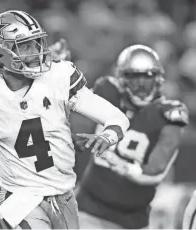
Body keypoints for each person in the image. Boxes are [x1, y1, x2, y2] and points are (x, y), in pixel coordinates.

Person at [0, 10, 130, 229]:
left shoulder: (56, 76)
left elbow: (4, 132)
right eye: (25, 46)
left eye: (36, 43)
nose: (36, 51)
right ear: (1, 52)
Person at [75, 44, 189, 229]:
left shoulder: (168, 115)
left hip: (133, 220)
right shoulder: (108, 92)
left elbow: (155, 171)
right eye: (135, 78)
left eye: (148, 78)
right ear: (121, 79)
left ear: (159, 79)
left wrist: (121, 165)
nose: (142, 86)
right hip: (89, 209)